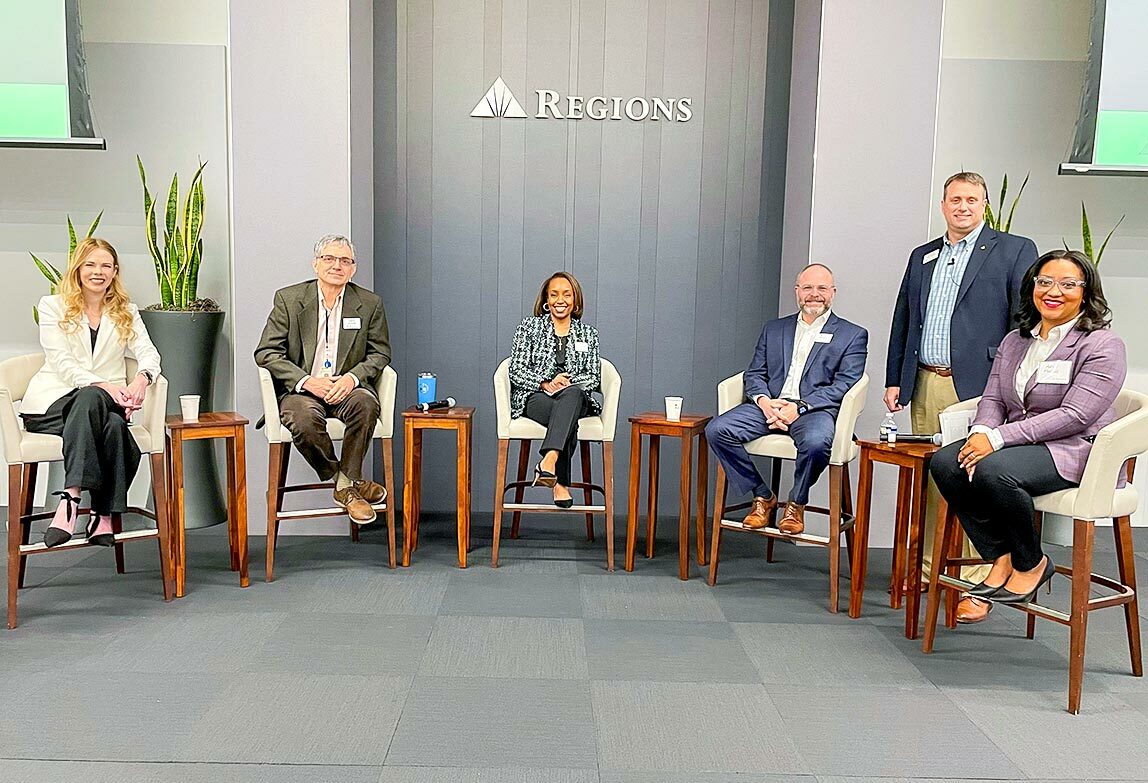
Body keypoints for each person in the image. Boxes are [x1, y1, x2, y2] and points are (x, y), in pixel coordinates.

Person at [930, 250, 1125, 623]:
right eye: (1045, 281)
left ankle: (1031, 562)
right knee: (946, 463)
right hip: (1021, 444)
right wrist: (981, 432)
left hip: (1074, 448)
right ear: (1032, 287)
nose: (1054, 291)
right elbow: (993, 397)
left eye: (1068, 284)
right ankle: (1001, 556)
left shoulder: (1102, 344)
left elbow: (1076, 415)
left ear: (1086, 292)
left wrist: (998, 440)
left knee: (994, 471)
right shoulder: (1016, 341)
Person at [885, 171, 1038, 588]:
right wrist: (895, 377)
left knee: (976, 477)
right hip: (925, 381)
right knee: (937, 477)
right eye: (955, 199)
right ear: (943, 205)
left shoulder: (1013, 250)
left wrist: (1009, 386)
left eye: (972, 199)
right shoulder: (923, 255)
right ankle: (932, 570)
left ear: (984, 205)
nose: (963, 206)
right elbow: (905, 317)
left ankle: (977, 575)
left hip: (980, 389)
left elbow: (1023, 320)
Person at [21, 238, 162, 548]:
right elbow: (63, 363)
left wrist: (141, 379)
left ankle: (77, 507)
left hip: (99, 410)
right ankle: (94, 509)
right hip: (52, 407)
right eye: (91, 264)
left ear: (114, 272)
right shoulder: (52, 306)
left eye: (105, 266)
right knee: (94, 402)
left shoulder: (126, 311)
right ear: (78, 269)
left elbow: (149, 353)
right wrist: (106, 387)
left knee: (111, 425)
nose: (98, 272)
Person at [706, 264, 867, 534]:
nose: (814, 294)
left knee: (817, 442)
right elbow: (755, 373)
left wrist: (800, 407)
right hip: (769, 406)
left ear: (833, 292)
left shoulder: (852, 335)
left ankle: (796, 504)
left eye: (821, 288)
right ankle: (762, 497)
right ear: (797, 292)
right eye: (807, 288)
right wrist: (763, 401)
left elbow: (845, 384)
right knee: (717, 430)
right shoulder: (774, 329)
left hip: (814, 410)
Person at [254, 234, 391, 524]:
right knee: (302, 419)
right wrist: (306, 381)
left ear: (353, 268)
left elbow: (380, 354)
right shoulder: (289, 300)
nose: (336, 266)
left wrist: (352, 379)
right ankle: (347, 483)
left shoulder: (369, 303)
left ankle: (346, 483)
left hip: (347, 389)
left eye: (344, 260)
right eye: (329, 258)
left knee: (366, 405)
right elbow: (266, 352)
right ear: (315, 264)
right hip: (302, 391)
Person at [508, 271, 602, 508]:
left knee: (571, 396)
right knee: (566, 417)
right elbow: (515, 369)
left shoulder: (588, 334)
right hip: (536, 397)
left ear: (576, 300)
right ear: (546, 301)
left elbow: (593, 375)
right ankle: (559, 484)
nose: (560, 300)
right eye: (554, 294)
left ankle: (549, 461)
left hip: (574, 396)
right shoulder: (529, 328)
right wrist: (545, 382)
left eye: (567, 294)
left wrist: (568, 383)